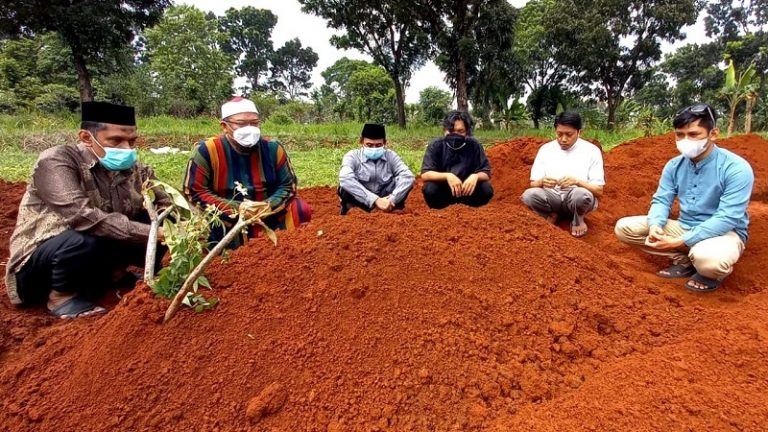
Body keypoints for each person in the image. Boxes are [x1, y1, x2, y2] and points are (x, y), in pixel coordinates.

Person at [4, 102, 170, 319]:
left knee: (162, 220)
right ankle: (61, 296)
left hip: (95, 255)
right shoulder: (57, 161)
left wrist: (187, 224)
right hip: (40, 267)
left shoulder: (136, 169)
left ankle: (114, 276)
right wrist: (153, 234)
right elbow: (83, 217)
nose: (126, 149)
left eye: (131, 141)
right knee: (85, 237)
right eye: (116, 141)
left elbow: (166, 202)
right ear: (85, 137)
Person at [614, 103, 754, 292]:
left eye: (693, 134)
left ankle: (707, 272)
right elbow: (662, 200)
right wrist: (655, 225)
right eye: (680, 135)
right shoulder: (674, 166)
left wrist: (680, 241)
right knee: (625, 228)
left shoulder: (736, 168)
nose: (685, 140)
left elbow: (727, 217)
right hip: (685, 225)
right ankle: (685, 260)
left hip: (724, 232)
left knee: (709, 261)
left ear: (713, 134)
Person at [184, 97, 312, 247]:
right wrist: (237, 209)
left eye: (254, 123)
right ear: (224, 126)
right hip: (226, 217)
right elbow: (195, 191)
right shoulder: (207, 151)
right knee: (204, 225)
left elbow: (288, 186)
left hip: (268, 213)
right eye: (241, 124)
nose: (250, 128)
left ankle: (288, 249)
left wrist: (265, 206)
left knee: (299, 209)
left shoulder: (273, 148)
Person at [521, 111, 605, 237]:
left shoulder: (592, 151)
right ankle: (551, 213)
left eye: (569, 134)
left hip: (575, 196)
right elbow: (533, 183)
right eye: (559, 134)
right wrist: (542, 181)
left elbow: (598, 190)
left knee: (581, 195)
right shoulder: (545, 150)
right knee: (529, 195)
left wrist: (577, 182)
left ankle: (578, 219)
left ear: (579, 132)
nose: (563, 139)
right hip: (552, 195)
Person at [421, 111, 493, 209]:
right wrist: (448, 176)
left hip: (467, 191)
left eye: (460, 131)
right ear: (444, 130)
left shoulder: (474, 145)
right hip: (445, 191)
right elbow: (426, 174)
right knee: (430, 189)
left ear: (467, 131)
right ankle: (440, 211)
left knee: (486, 189)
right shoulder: (436, 145)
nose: (455, 135)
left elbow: (486, 172)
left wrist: (475, 176)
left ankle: (471, 209)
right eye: (451, 131)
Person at [338, 123, 415, 215]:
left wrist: (391, 200)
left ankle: (392, 208)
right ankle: (351, 209)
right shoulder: (352, 156)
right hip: (361, 201)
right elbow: (345, 178)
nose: (374, 148)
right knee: (345, 185)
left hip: (387, 201)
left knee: (404, 180)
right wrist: (375, 200)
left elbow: (408, 176)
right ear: (361, 142)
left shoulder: (391, 156)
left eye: (378, 145)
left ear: (385, 143)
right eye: (369, 145)